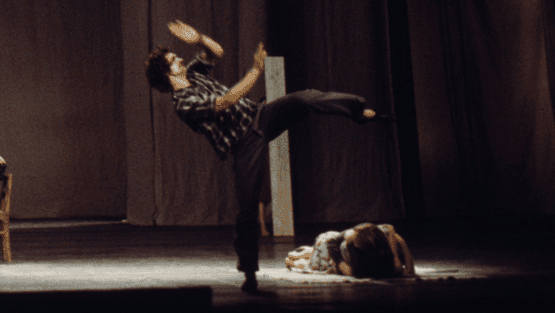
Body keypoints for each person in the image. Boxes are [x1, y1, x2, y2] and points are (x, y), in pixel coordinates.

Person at [146, 20, 390, 293]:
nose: (180, 58)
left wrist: (199, 38)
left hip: (260, 117)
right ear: (167, 74)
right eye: (174, 59)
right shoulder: (184, 104)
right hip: (244, 144)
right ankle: (249, 272)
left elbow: (217, 52)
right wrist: (255, 71)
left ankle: (357, 111)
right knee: (247, 209)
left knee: (305, 99)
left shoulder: (194, 74)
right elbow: (225, 101)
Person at [286, 222, 415, 278]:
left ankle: (309, 253)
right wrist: (396, 257)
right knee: (326, 245)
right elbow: (389, 228)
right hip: (328, 241)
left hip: (333, 253)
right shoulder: (371, 236)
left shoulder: (357, 267)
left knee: (293, 261)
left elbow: (339, 264)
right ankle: (310, 251)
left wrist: (339, 264)